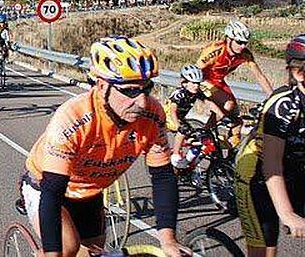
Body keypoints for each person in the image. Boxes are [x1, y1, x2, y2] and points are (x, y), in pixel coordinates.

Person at [20, 36, 189, 257]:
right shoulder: (73, 118)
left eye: (146, 89)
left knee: (96, 253)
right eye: (129, 91)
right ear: (101, 87)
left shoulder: (152, 114)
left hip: (90, 191)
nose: (141, 102)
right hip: (45, 186)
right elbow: (52, 192)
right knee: (67, 248)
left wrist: (168, 240)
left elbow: (163, 177)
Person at [236, 34, 305, 256]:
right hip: (257, 176)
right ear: (298, 73)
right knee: (266, 249)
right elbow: (272, 165)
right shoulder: (284, 105)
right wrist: (286, 213)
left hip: (296, 172)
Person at [197, 20, 274, 146]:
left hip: (219, 83)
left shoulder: (245, 54)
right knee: (228, 104)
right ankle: (204, 133)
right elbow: (196, 71)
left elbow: (260, 76)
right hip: (203, 80)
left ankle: (229, 157)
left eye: (245, 43)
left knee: (237, 122)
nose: (242, 46)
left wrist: (273, 96)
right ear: (229, 39)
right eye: (239, 42)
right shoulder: (215, 50)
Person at [166, 65, 225, 169]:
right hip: (169, 116)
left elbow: (210, 103)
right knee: (184, 130)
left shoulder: (197, 93)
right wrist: (178, 125)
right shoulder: (179, 94)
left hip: (181, 117)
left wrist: (222, 115)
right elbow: (173, 111)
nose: (196, 86)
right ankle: (175, 155)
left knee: (199, 140)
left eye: (198, 83)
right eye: (193, 83)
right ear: (185, 83)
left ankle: (186, 165)